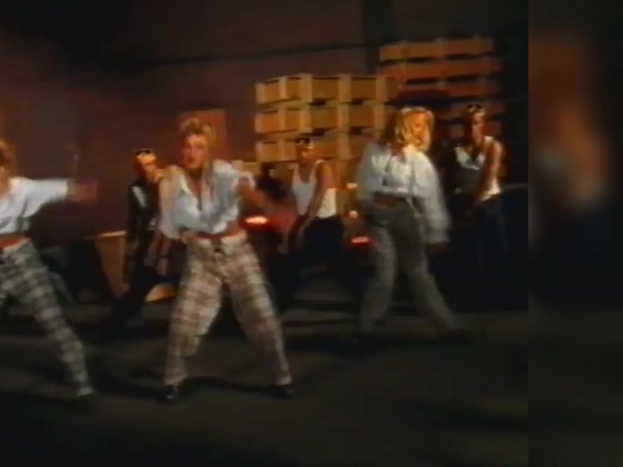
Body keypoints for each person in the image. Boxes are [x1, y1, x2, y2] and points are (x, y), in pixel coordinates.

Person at [154, 118, 297, 403]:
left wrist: (268, 206)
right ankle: (173, 380)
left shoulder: (220, 171)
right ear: (180, 150)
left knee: (262, 317)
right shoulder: (171, 183)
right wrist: (161, 254)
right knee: (184, 323)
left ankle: (282, 377)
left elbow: (241, 186)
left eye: (199, 147)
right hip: (201, 256)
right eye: (187, 147)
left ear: (207, 151)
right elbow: (168, 225)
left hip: (237, 252)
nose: (192, 153)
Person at [0, 131, 99, 410]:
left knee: (53, 322)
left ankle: (83, 386)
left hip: (21, 260)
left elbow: (54, 188)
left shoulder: (19, 188)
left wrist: (78, 188)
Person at [355, 107, 467, 348]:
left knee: (418, 273)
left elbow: (430, 199)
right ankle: (367, 328)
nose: (421, 130)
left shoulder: (418, 160)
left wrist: (436, 232)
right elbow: (363, 180)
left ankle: (446, 326)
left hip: (405, 215)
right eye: (416, 124)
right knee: (383, 275)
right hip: (377, 217)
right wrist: (365, 205)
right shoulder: (374, 150)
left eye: (423, 126)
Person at [270, 136, 362, 313]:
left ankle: (364, 300)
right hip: (305, 221)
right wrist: (288, 231)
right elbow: (293, 203)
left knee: (343, 267)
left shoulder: (322, 167)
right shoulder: (294, 172)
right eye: (299, 151)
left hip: (326, 223)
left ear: (314, 151)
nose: (302, 154)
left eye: (306, 150)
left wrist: (304, 227)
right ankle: (282, 303)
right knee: (288, 262)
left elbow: (317, 198)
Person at [100, 148, 167, 340]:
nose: (145, 169)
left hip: (171, 238)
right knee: (140, 283)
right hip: (149, 239)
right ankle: (116, 323)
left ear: (156, 164)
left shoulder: (167, 183)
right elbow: (134, 218)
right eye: (140, 166)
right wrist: (132, 242)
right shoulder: (136, 188)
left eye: (149, 164)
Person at [448, 105, 508, 301]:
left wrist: (475, 204)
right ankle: (474, 293)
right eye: (467, 124)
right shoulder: (455, 148)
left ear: (483, 124)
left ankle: (498, 292)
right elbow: (450, 177)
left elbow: (489, 177)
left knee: (494, 246)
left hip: (488, 201)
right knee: (471, 249)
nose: (471, 128)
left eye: (475, 123)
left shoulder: (492, 146)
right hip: (464, 201)